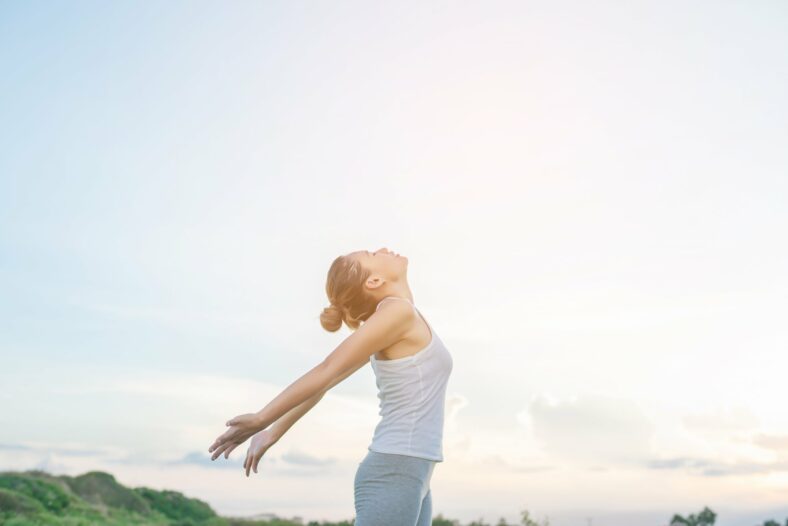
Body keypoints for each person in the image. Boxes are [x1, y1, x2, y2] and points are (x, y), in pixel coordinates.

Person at [207, 247, 453, 526]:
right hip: (396, 468)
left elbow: (326, 383)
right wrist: (263, 418)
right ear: (373, 282)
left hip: (414, 470)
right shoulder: (398, 312)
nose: (383, 249)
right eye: (372, 254)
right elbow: (328, 370)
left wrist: (273, 432)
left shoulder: (398, 319)